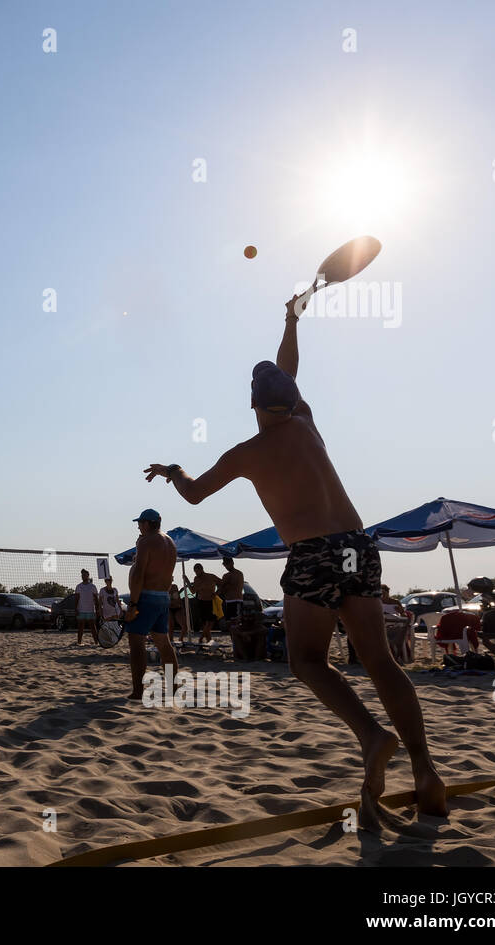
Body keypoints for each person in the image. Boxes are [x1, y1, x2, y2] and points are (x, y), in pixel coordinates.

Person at [143, 291, 447, 823]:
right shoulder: (305, 421)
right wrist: (291, 319)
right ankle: (426, 770)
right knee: (380, 660)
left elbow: (193, 496)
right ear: (292, 399)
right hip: (357, 545)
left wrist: (174, 472)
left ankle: (373, 737)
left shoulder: (247, 453)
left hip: (312, 555)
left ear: (253, 405)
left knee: (306, 661)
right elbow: (289, 367)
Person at [123, 509, 179, 699]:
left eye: (139, 523)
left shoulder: (146, 542)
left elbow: (139, 574)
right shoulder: (170, 542)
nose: (138, 526)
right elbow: (167, 575)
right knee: (164, 644)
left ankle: (138, 692)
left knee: (136, 642)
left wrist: (132, 604)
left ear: (147, 524)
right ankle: (173, 688)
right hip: (163, 597)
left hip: (146, 597)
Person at [185, 563, 221, 647]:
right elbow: (193, 591)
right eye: (195, 571)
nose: (196, 573)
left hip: (211, 601)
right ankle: (209, 640)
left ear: (201, 569)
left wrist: (216, 593)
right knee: (205, 623)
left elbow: (222, 584)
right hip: (201, 602)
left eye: (197, 571)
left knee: (211, 622)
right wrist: (187, 581)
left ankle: (201, 639)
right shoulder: (196, 579)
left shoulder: (211, 576)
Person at [74, 569, 100, 646]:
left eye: (84, 575)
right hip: (81, 609)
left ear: (88, 576)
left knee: (93, 627)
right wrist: (75, 608)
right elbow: (76, 598)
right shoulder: (78, 586)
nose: (83, 576)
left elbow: (96, 599)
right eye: (82, 575)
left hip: (90, 609)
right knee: (80, 627)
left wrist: (98, 609)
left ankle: (96, 642)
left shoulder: (92, 586)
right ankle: (79, 642)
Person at [219, 557, 246, 625]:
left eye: (226, 564)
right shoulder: (240, 573)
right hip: (238, 600)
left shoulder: (227, 575)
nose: (226, 566)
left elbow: (222, 588)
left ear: (232, 563)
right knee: (235, 621)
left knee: (233, 622)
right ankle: (234, 634)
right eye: (225, 565)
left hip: (232, 600)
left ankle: (235, 635)